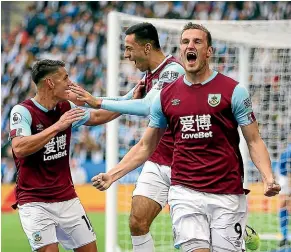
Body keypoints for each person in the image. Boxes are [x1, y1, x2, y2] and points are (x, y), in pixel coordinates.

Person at [92, 23, 281, 251]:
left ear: (209, 51)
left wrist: (268, 176)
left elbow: (253, 140)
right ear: (181, 50)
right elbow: (146, 145)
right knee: (138, 221)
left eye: (197, 41)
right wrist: (113, 175)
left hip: (226, 191)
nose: (190, 45)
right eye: (185, 42)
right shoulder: (165, 96)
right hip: (184, 191)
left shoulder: (234, 91)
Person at [70, 22, 185, 252]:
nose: (126, 55)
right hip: (156, 159)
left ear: (147, 47)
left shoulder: (173, 71)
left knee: (188, 234)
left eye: (129, 48)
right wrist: (75, 116)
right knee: (137, 222)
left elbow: (144, 106)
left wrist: (95, 100)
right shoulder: (149, 77)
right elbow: (118, 107)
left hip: (184, 164)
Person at [9, 59, 125, 252]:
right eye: (65, 78)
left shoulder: (65, 108)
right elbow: (19, 148)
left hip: (66, 198)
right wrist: (57, 126)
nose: (70, 82)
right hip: (34, 201)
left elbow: (96, 116)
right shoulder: (23, 111)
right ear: (50, 83)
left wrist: (131, 100)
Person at [277, 134, 291, 247]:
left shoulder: (289, 150)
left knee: (285, 206)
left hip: (286, 180)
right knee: (285, 206)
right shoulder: (289, 150)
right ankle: (284, 235)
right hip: (285, 179)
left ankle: (284, 235)